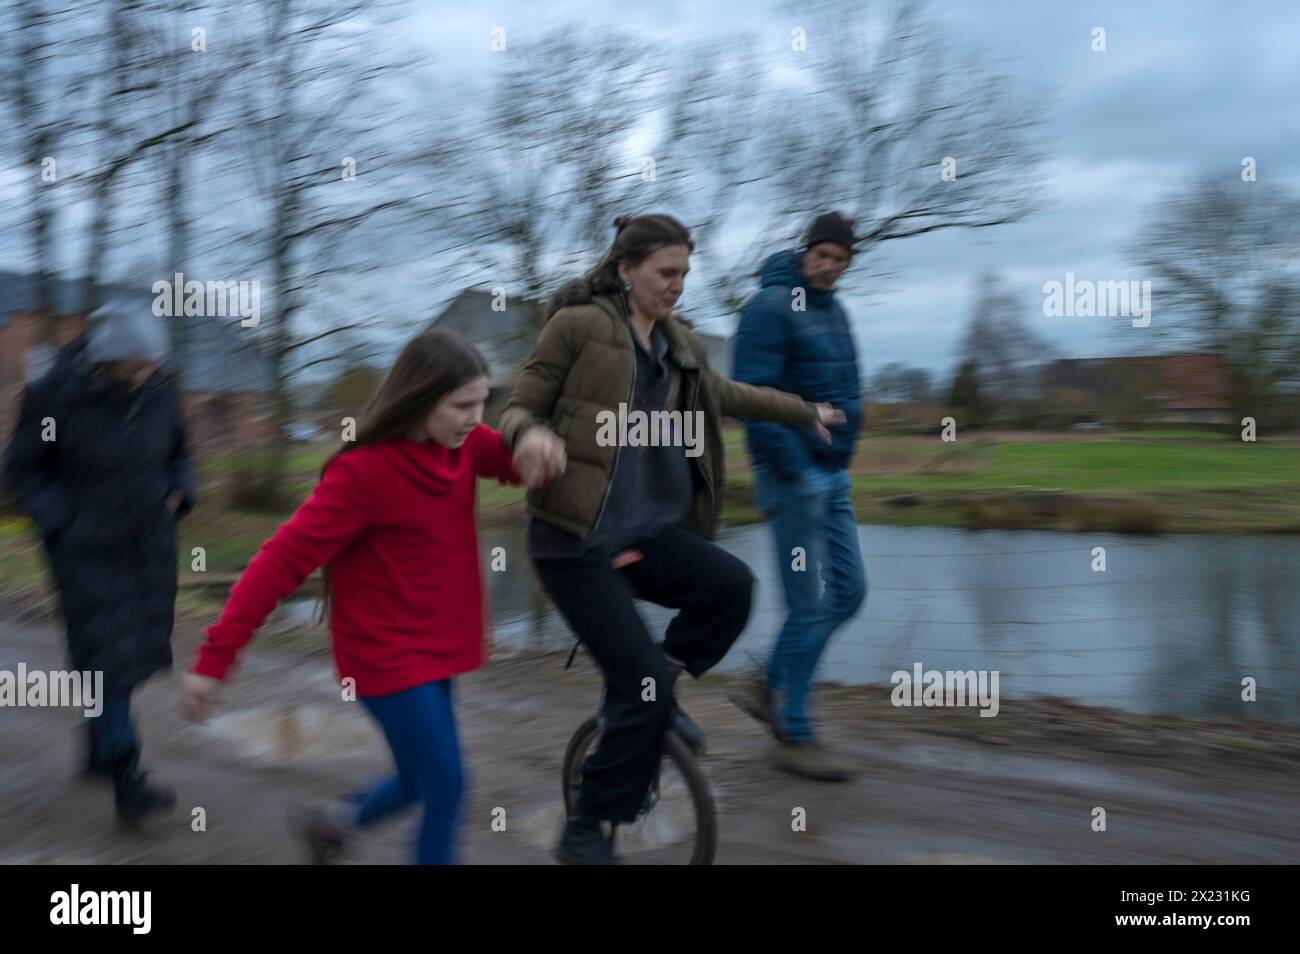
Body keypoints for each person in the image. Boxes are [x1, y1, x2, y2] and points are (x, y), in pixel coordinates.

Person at [499, 213, 844, 863]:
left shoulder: (678, 346)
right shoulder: (580, 327)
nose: (677, 285)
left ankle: (662, 680)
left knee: (731, 588)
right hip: (574, 539)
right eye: (666, 273)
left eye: (685, 274)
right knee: (639, 695)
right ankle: (585, 828)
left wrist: (803, 412)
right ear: (627, 270)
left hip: (645, 532)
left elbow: (731, 394)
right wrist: (532, 437)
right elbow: (520, 405)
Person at [179, 328, 564, 864]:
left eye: (482, 403)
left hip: (434, 650)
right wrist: (214, 659)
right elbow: (279, 563)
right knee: (447, 783)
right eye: (462, 405)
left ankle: (332, 825)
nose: (477, 417)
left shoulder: (463, 445)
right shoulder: (363, 474)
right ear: (421, 397)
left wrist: (531, 442)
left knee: (418, 778)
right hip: (383, 657)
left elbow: (509, 461)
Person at [3, 296, 196, 824]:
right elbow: (24, 470)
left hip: (149, 545)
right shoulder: (54, 399)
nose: (146, 372)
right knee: (106, 655)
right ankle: (127, 778)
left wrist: (179, 492)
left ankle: (97, 746)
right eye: (136, 364)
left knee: (125, 653)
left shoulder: (159, 390)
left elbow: (180, 452)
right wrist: (62, 524)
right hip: (84, 549)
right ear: (108, 360)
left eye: (152, 362)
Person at [729, 211, 868, 781]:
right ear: (806, 250)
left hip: (832, 476)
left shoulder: (835, 310)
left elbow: (849, 389)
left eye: (840, 260)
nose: (830, 267)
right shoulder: (767, 308)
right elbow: (752, 399)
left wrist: (841, 456)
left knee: (851, 591)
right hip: (791, 478)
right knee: (808, 602)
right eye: (823, 255)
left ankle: (769, 683)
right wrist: (794, 467)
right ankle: (795, 732)